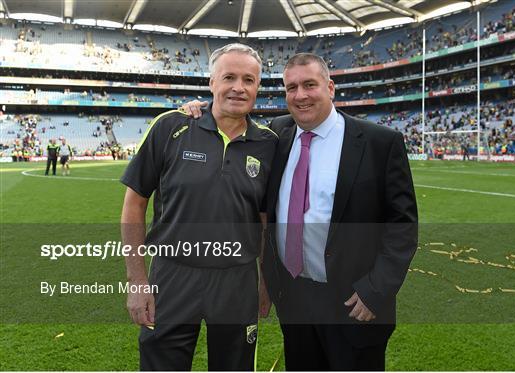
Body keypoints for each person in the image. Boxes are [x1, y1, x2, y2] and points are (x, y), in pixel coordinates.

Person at [183, 53, 418, 371]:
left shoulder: (380, 143)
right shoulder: (277, 134)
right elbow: (233, 125)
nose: (300, 95)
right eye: (291, 87)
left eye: (310, 85)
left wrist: (376, 289)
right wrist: (196, 112)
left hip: (354, 301)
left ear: (330, 88)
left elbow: (402, 225)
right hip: (294, 298)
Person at [120, 43, 278, 371]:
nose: (238, 87)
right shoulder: (170, 127)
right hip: (173, 275)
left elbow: (264, 219)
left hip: (237, 280)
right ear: (211, 83)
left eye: (249, 80)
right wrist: (137, 280)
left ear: (258, 87)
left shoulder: (268, 143)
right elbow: (134, 204)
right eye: (229, 77)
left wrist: (266, 280)